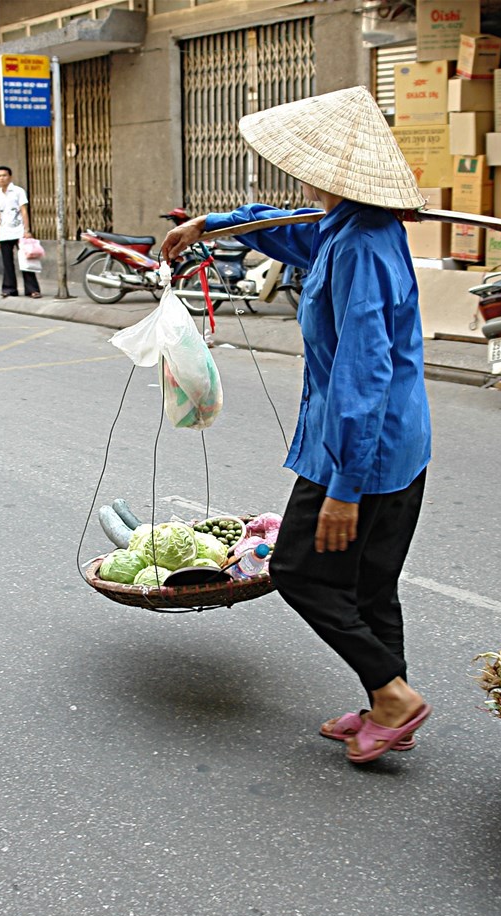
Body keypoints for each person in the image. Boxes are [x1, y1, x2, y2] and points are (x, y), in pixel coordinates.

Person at [160, 87, 432, 765]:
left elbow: (363, 373)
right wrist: (209, 225)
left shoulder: (362, 247)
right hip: (396, 445)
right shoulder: (345, 226)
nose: (300, 173)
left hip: (362, 450)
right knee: (372, 582)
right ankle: (384, 706)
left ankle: (393, 695)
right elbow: (285, 225)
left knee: (300, 571)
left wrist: (343, 484)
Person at [0, 165, 40, 299]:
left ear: (10, 177)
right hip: (4, 233)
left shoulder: (18, 191)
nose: (2, 178)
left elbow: (24, 211)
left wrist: (27, 230)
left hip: (19, 232)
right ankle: (9, 289)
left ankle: (32, 289)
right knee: (7, 263)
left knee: (26, 261)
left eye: (4, 175)